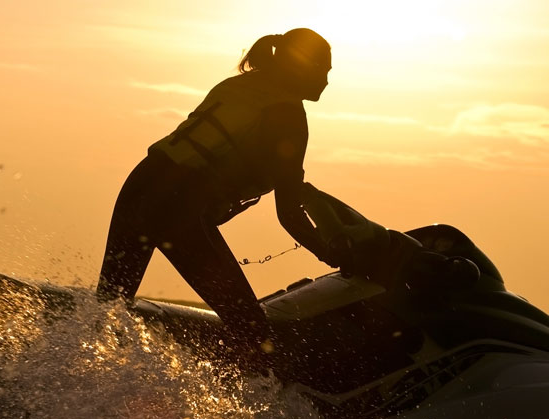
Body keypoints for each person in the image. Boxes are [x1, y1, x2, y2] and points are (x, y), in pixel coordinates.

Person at [96, 28, 381, 363]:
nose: (327, 82)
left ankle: (67, 384)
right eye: (324, 70)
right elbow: (288, 213)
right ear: (302, 67)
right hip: (178, 210)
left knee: (108, 306)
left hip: (139, 187)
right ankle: (234, 403)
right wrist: (336, 257)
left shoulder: (241, 86)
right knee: (254, 335)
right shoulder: (287, 114)